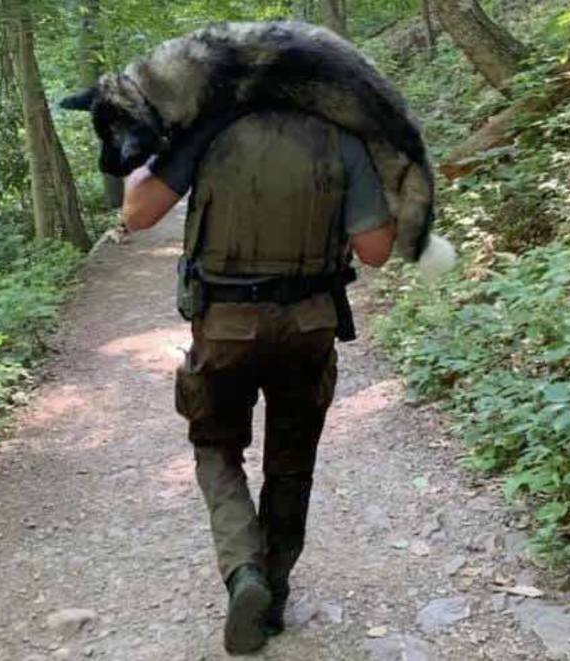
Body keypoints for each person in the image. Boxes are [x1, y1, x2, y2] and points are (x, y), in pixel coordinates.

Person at [122, 110, 394, 655]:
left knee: (215, 444)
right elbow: (376, 251)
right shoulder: (342, 138)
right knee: (291, 459)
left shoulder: (205, 129)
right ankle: (273, 588)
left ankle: (244, 569)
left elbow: (139, 214)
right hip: (310, 324)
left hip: (225, 326)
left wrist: (137, 159)